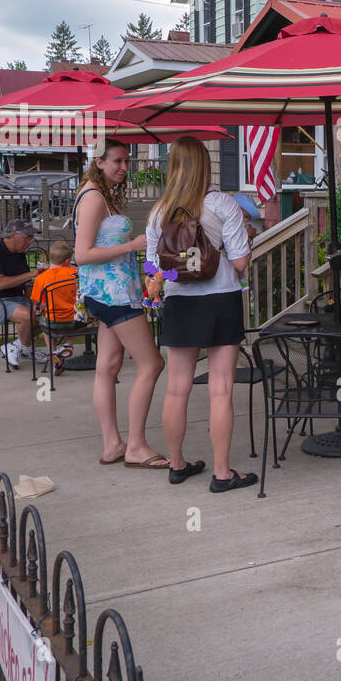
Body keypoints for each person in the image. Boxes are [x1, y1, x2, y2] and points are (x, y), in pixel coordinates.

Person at [146, 137, 255, 493]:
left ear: (172, 166)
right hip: (221, 298)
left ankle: (177, 465)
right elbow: (240, 262)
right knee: (221, 389)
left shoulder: (159, 211)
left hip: (180, 301)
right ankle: (222, 474)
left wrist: (175, 274)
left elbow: (154, 268)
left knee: (177, 389)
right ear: (205, 166)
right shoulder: (222, 203)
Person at [73, 140, 167, 469]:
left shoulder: (102, 194)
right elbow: (81, 255)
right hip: (112, 295)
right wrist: (132, 245)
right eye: (116, 161)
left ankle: (113, 444)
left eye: (126, 161)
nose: (123, 167)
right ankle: (137, 446)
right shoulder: (94, 198)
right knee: (152, 364)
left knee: (108, 365)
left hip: (107, 293)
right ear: (97, 162)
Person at [0, 218, 47, 368]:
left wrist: (35, 302)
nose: (30, 242)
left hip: (17, 299)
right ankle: (24, 348)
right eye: (27, 238)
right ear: (13, 235)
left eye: (32, 238)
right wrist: (33, 274)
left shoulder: (19, 253)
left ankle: (18, 346)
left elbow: (24, 285)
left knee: (49, 314)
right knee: (27, 316)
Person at [30, 240, 79, 370]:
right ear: (67, 261)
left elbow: (37, 303)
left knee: (44, 319)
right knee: (79, 312)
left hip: (52, 321)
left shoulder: (41, 278)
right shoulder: (74, 273)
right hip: (74, 320)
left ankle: (52, 352)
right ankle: (68, 344)